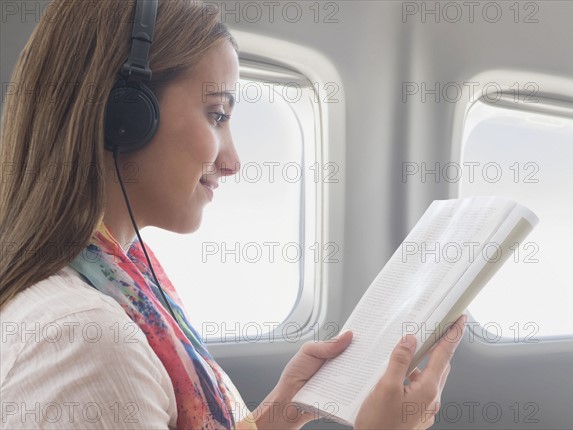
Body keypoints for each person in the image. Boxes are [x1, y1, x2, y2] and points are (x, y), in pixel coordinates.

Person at [0, 0, 467, 429]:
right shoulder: (87, 342)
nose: (234, 161)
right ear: (124, 115)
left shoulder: (116, 271)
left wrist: (280, 412)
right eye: (216, 114)